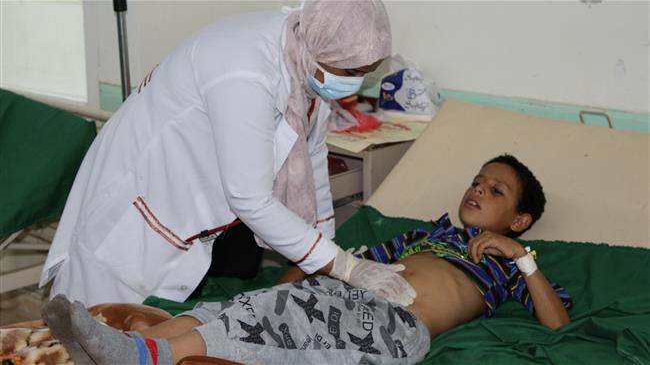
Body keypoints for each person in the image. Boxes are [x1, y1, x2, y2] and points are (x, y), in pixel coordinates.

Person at [38, 0, 416, 308]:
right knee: (95, 327)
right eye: (349, 70)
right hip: (140, 207)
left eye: (365, 73)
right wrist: (346, 267)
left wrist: (326, 251)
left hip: (188, 204)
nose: (353, 83)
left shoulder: (304, 61)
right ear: (321, 49)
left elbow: (312, 154)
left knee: (148, 335)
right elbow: (249, 199)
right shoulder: (246, 73)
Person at [41, 154, 572, 365]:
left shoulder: (508, 264)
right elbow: (340, 261)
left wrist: (522, 259)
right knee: (255, 310)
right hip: (343, 300)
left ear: (520, 220)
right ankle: (144, 342)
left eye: (496, 190)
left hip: (395, 326)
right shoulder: (424, 235)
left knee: (277, 321)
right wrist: (284, 281)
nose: (478, 190)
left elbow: (557, 322)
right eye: (477, 181)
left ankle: (143, 354)